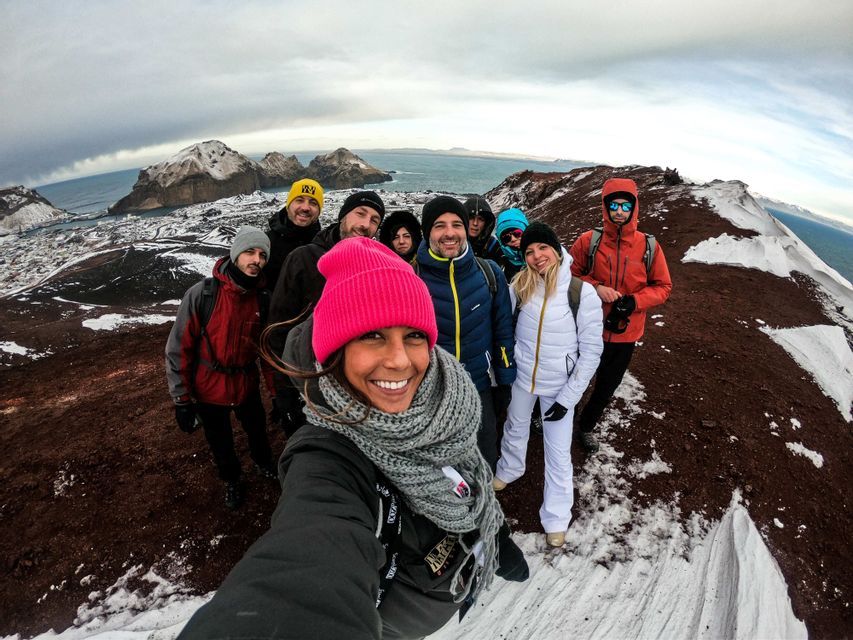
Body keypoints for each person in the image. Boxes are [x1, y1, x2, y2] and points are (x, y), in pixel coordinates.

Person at [178, 238, 528, 640]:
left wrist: (496, 541)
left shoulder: (447, 404)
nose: (399, 359)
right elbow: (308, 563)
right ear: (335, 351)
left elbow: (464, 483)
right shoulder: (327, 456)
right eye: (372, 336)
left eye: (413, 335)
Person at [493, 222, 603, 547]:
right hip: (524, 377)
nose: (537, 256)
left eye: (542, 248)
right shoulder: (520, 287)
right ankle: (510, 467)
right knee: (515, 426)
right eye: (529, 251)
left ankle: (556, 515)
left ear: (556, 249)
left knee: (558, 451)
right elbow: (505, 328)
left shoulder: (581, 293)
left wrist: (568, 398)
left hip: (559, 386)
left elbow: (592, 351)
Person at [165, 226, 277, 510]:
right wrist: (182, 400)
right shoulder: (202, 295)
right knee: (220, 441)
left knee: (257, 430)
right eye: (250, 252)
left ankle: (265, 464)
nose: (256, 260)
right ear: (236, 254)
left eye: (262, 255)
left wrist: (276, 393)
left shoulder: (262, 299)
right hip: (208, 388)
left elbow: (267, 353)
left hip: (246, 383)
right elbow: (179, 348)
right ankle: (231, 479)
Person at [569, 177, 672, 453]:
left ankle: (586, 426)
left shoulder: (649, 246)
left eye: (625, 205)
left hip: (625, 333)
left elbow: (663, 286)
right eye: (613, 204)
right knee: (574, 378)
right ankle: (562, 418)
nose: (619, 211)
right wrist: (597, 288)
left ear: (634, 208)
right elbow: (569, 276)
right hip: (586, 328)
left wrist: (635, 301)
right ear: (605, 207)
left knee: (606, 386)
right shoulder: (587, 242)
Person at [415, 195, 516, 471]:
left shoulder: (489, 273)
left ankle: (485, 510)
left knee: (485, 458)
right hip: (429, 391)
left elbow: (503, 330)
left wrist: (505, 379)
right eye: (439, 225)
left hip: (478, 385)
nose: (450, 233)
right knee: (438, 466)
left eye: (457, 224)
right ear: (427, 232)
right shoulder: (411, 277)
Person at [262, 178, 324, 289]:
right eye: (299, 200)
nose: (305, 208)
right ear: (288, 205)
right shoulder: (265, 243)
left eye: (313, 203)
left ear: (319, 211)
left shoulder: (324, 247)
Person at [464, 196, 504, 265]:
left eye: (480, 219)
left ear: (487, 223)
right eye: (471, 218)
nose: (475, 223)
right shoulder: (454, 244)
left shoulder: (495, 248)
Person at [495, 207, 530, 280]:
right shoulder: (501, 265)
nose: (513, 239)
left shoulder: (542, 256)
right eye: (506, 237)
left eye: (517, 233)